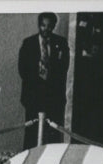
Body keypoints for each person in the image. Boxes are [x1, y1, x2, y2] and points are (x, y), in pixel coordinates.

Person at [18, 12, 69, 149]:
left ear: (53, 26)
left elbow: (63, 68)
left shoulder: (61, 43)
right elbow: (23, 69)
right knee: (31, 135)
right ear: (39, 25)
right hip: (33, 98)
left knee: (52, 137)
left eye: (49, 26)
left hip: (53, 99)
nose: (46, 29)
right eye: (43, 25)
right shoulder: (28, 43)